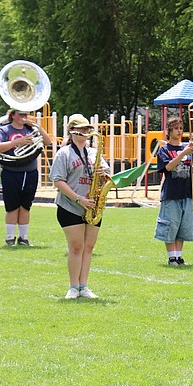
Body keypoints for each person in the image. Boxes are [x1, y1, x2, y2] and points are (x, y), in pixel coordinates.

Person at [48, 114, 110, 300]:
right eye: (82, 129)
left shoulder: (93, 152)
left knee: (88, 247)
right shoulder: (64, 153)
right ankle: (73, 287)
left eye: (87, 129)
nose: (85, 132)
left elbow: (107, 176)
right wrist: (78, 199)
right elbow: (57, 180)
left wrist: (104, 173)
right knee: (76, 247)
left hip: (92, 206)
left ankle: (84, 286)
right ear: (73, 132)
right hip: (71, 205)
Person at [0, 109, 51, 246]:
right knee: (12, 207)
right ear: (12, 115)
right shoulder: (4, 130)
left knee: (26, 206)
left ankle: (23, 237)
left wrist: (36, 126)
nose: (24, 117)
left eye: (25, 114)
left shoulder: (30, 129)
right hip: (11, 171)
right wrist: (19, 142)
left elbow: (47, 141)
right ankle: (10, 237)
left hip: (30, 172)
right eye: (20, 114)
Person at [154, 116, 193, 265]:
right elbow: (168, 167)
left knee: (183, 226)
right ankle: (171, 257)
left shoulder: (187, 148)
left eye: (181, 128)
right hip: (171, 193)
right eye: (176, 128)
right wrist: (183, 153)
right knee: (170, 225)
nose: (179, 131)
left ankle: (178, 256)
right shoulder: (164, 149)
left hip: (186, 192)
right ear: (169, 131)